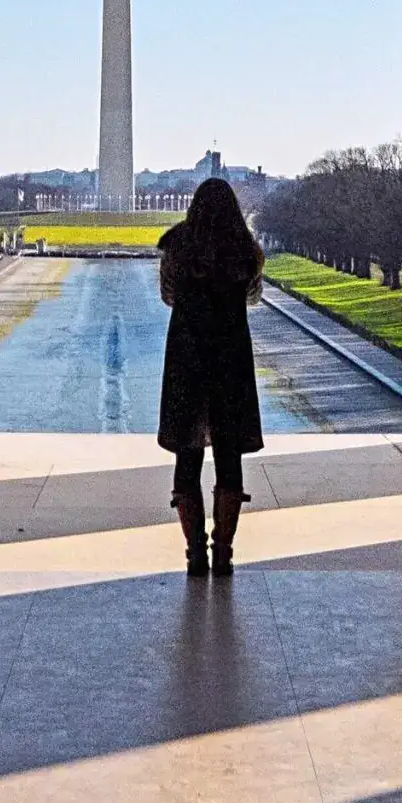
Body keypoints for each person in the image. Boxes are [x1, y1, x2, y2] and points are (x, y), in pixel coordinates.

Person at [156, 178, 266, 577]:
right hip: (230, 355)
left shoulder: (177, 247)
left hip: (187, 355)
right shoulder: (246, 250)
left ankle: (194, 554)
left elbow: (168, 295)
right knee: (228, 454)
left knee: (188, 455)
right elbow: (253, 297)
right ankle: (223, 552)